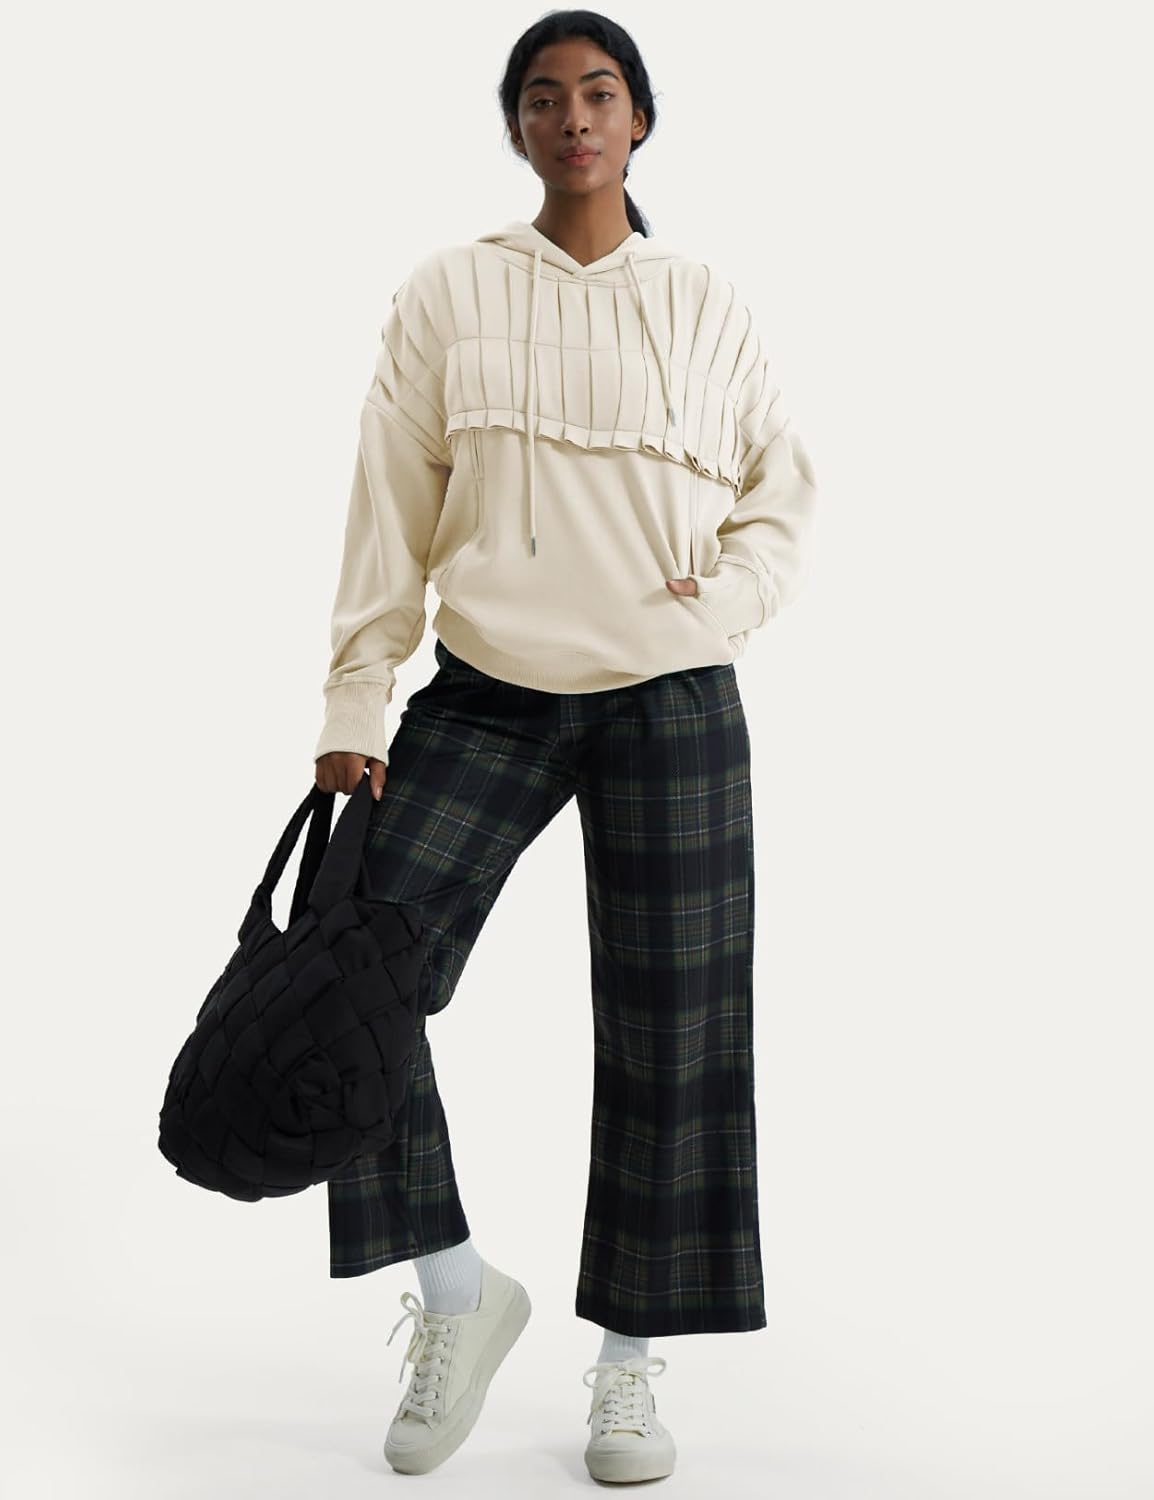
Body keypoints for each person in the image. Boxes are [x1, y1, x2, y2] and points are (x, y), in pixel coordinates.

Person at [312, 9, 817, 1483]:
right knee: (352, 974)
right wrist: (356, 703)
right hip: (487, 688)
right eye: (544, 97)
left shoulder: (706, 300)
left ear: (639, 120)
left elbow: (781, 495)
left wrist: (724, 600)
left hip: (671, 695)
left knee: (676, 1031)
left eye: (599, 93)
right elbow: (386, 506)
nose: (574, 117)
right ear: (517, 126)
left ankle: (630, 1368)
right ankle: (458, 1295)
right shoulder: (450, 292)